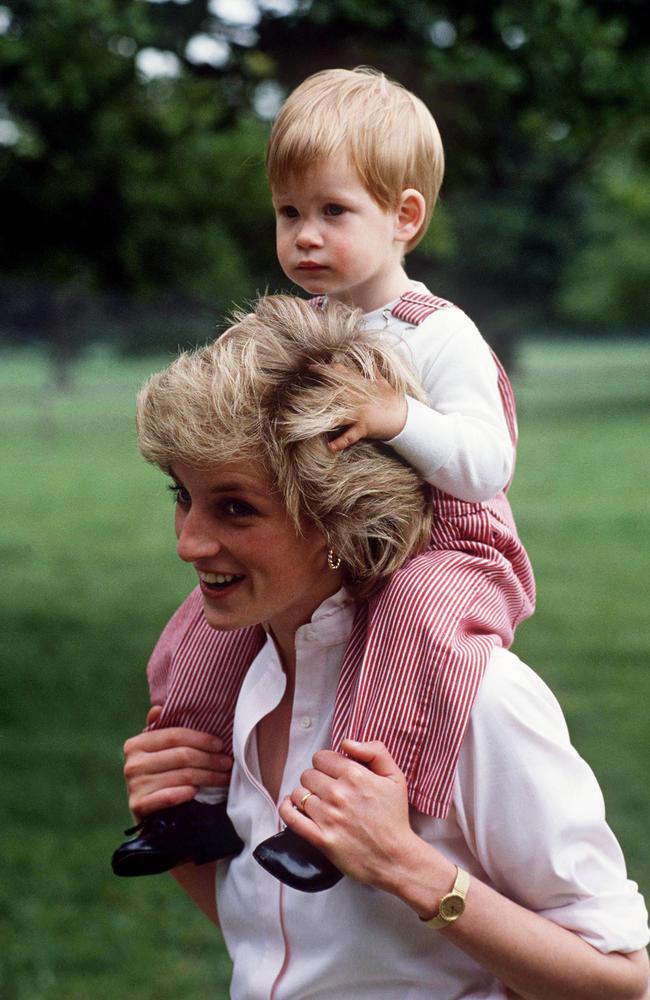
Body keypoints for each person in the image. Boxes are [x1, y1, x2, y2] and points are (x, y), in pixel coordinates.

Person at [120, 295, 649, 999]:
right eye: (180, 495)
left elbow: (621, 982)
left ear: (341, 517)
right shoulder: (238, 678)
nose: (188, 542)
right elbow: (287, 952)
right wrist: (182, 834)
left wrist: (410, 867)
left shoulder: (478, 698)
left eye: (236, 507)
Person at [112, 66, 535, 885]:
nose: (305, 235)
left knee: (412, 620)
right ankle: (186, 802)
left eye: (333, 212)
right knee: (199, 629)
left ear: (404, 216)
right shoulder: (302, 322)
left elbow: (487, 466)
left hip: (449, 549)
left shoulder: (435, 331)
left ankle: (335, 815)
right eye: (289, 213)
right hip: (329, 538)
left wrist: (395, 418)